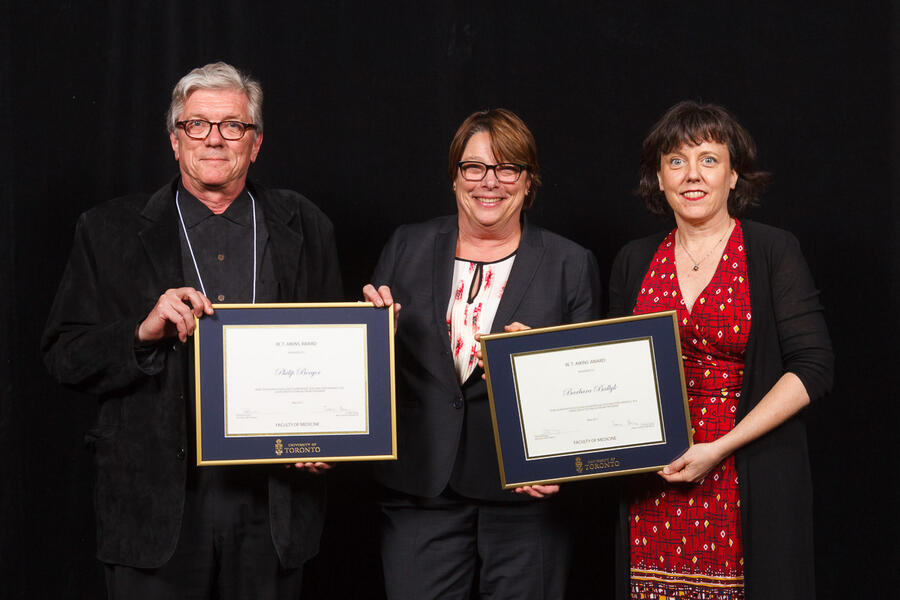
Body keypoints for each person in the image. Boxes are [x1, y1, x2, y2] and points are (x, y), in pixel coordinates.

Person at [41, 62, 342, 599]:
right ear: (175, 140)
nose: (215, 139)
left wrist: (327, 434)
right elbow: (65, 355)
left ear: (256, 143)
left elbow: (332, 356)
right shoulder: (106, 229)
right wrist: (141, 333)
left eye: (233, 126)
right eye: (197, 125)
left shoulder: (305, 224)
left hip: (272, 499)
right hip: (156, 503)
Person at [363, 108, 602, 600]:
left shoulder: (570, 263)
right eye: (474, 167)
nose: (489, 182)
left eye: (507, 167)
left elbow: (589, 390)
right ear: (454, 177)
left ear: (528, 181)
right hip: (420, 488)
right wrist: (369, 337)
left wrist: (535, 377)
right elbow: (374, 369)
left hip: (525, 497)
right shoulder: (406, 245)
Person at [608, 100, 833, 600]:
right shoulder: (633, 260)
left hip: (747, 471)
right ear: (659, 178)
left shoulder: (773, 251)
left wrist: (720, 448)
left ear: (734, 176)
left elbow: (813, 368)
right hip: (655, 481)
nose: (693, 175)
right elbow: (612, 372)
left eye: (709, 159)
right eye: (676, 161)